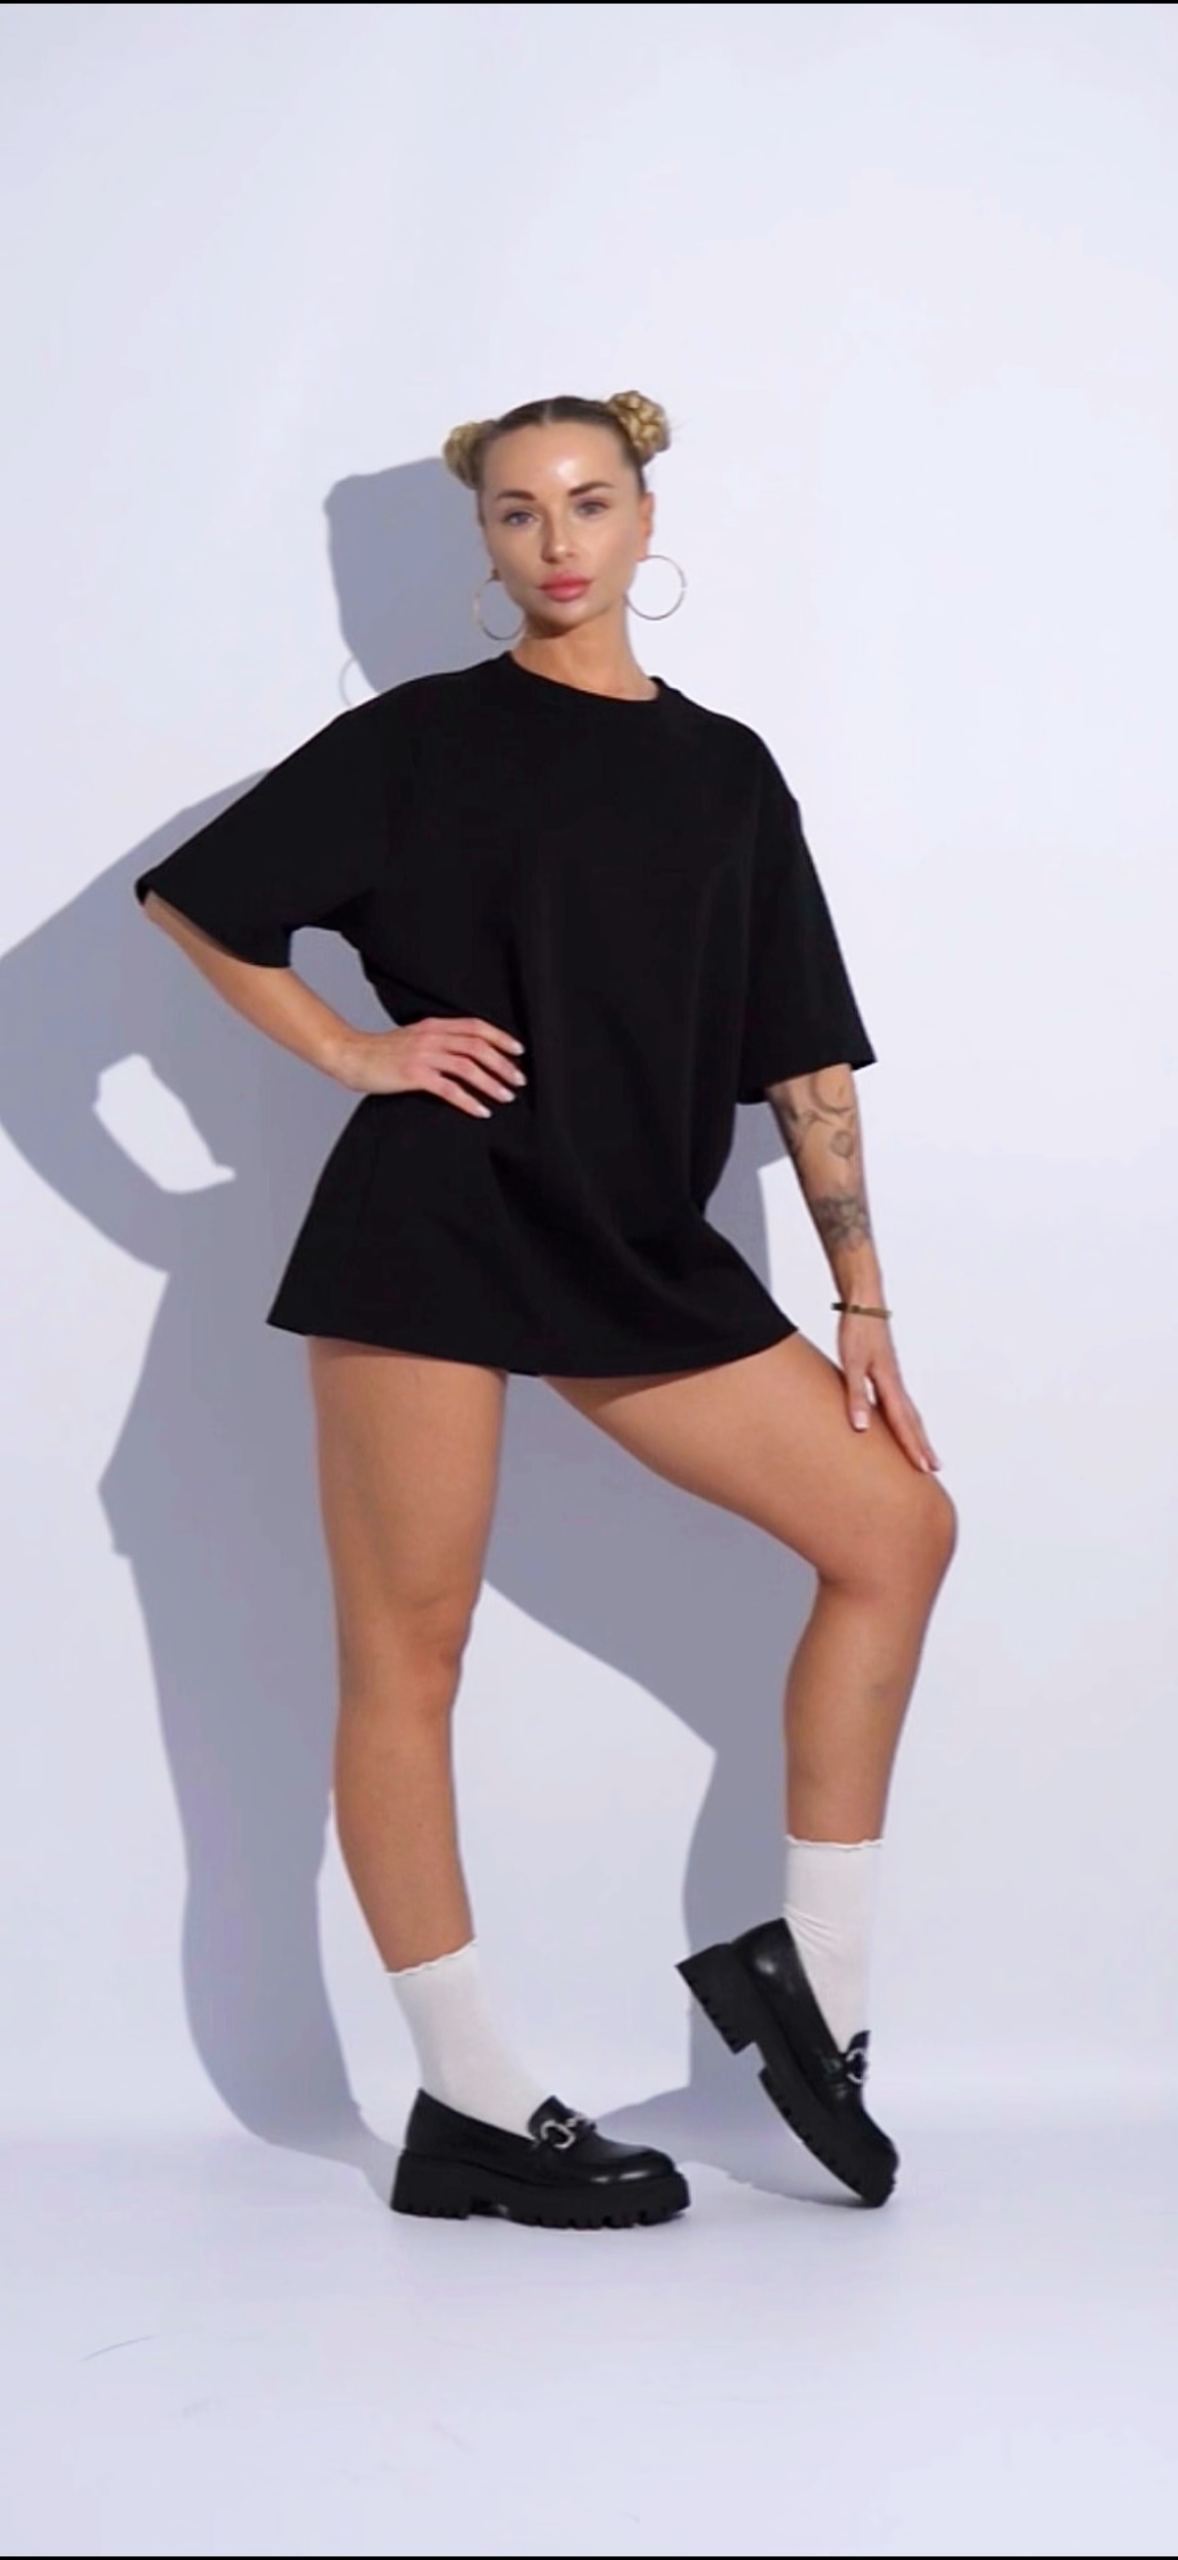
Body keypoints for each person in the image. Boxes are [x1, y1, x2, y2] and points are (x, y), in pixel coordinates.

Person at [134, 387, 958, 2230]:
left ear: (647, 521)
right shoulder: (421, 739)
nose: (557, 541)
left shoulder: (725, 771)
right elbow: (199, 904)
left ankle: (814, 1998)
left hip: (629, 1240)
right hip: (429, 1227)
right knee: (406, 1655)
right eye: (517, 513)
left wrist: (862, 1303)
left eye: (589, 503)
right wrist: (355, 1051)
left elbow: (803, 1051)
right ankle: (468, 2097)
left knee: (895, 1531)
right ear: (486, 542)